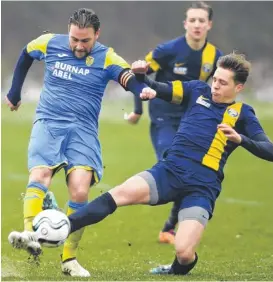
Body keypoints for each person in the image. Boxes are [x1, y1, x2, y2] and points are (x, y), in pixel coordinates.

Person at [9, 54, 273, 276]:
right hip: (168, 172)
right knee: (117, 194)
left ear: (238, 88)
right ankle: (51, 229)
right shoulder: (197, 90)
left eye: (222, 83)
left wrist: (242, 139)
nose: (215, 86)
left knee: (183, 252)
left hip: (201, 188)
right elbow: (158, 88)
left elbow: (269, 150)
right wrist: (142, 76)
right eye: (215, 79)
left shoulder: (243, 114)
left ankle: (175, 270)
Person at [5, 8, 155, 277]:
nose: (78, 45)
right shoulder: (51, 42)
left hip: (83, 130)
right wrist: (14, 93)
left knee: (80, 191)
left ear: (97, 34)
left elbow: (126, 76)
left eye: (85, 41)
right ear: (68, 31)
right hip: (49, 122)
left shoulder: (106, 56)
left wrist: (140, 88)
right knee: (40, 173)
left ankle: (69, 260)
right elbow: (26, 53)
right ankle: (30, 234)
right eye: (74, 38)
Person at [126, 1, 223, 244]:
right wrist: (138, 109)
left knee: (192, 170)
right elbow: (138, 74)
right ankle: (170, 225)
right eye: (193, 20)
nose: (197, 25)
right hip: (164, 116)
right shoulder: (168, 50)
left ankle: (169, 227)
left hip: (193, 119)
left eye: (202, 20)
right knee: (173, 165)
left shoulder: (215, 56)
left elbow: (220, 87)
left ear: (209, 24)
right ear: (185, 24)